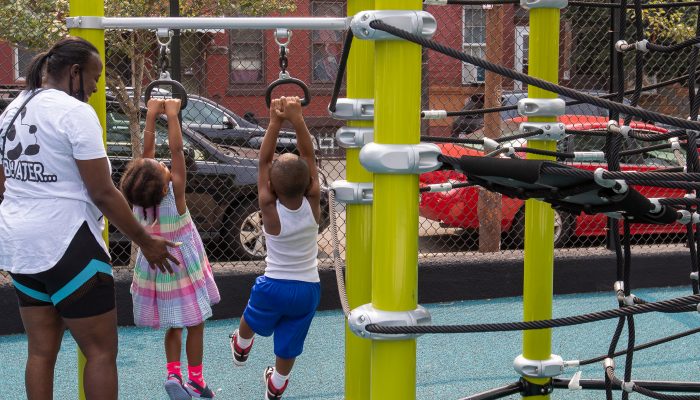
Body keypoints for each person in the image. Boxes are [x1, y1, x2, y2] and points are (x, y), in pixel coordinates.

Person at [0, 37, 178, 400]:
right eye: (95, 77)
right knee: (99, 352)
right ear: (74, 72)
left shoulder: (12, 109)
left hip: (20, 247)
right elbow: (102, 192)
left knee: (40, 351)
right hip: (68, 243)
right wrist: (146, 241)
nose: (96, 86)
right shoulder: (75, 113)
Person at [120, 98, 220, 400]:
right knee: (195, 323)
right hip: (184, 270)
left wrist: (151, 115)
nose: (163, 164)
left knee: (173, 325)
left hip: (157, 275)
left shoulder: (138, 201)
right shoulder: (174, 198)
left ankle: (173, 373)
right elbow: (177, 151)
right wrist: (173, 117)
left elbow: (145, 160)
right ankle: (196, 381)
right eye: (163, 169)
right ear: (166, 185)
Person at [229, 96, 321, 400]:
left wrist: (274, 121)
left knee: (251, 316)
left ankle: (242, 344)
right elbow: (309, 155)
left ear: (271, 184)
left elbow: (263, 162)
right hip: (307, 290)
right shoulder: (313, 206)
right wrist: (297, 119)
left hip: (274, 286)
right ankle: (277, 383)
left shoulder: (269, 209)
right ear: (309, 183)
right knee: (290, 341)